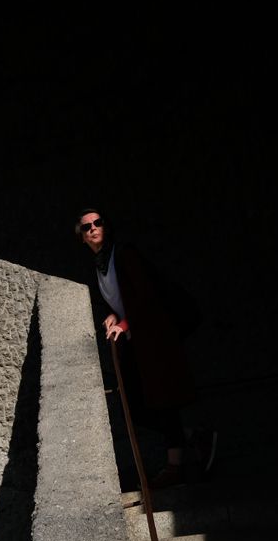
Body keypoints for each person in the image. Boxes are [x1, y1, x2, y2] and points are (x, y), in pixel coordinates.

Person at [74, 207, 207, 488]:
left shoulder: (124, 255)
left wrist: (122, 324)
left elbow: (145, 297)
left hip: (153, 338)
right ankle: (191, 438)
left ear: (106, 227)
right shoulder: (100, 265)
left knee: (162, 399)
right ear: (82, 237)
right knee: (134, 406)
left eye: (97, 223)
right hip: (137, 341)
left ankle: (175, 465)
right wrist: (112, 316)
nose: (93, 229)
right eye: (87, 227)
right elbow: (119, 301)